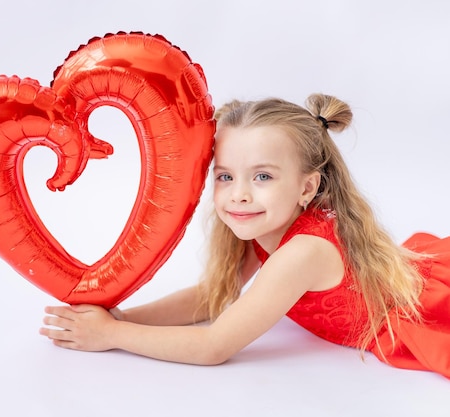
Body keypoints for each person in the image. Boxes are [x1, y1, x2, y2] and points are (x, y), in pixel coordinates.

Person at [39, 94, 450, 378]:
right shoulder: (267, 225)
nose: (239, 193)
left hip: (422, 309)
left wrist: (111, 335)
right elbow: (213, 295)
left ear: (307, 188)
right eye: (225, 176)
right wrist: (127, 316)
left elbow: (214, 346)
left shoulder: (304, 251)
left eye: (263, 176)